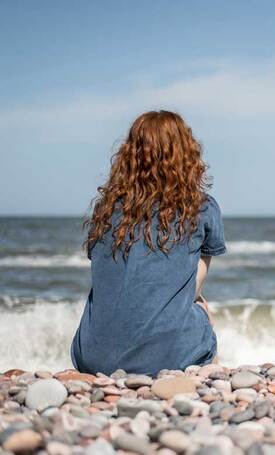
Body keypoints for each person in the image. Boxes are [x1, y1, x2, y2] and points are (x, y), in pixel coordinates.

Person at [71, 110, 226, 376]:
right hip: (166, 357)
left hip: (91, 357)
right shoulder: (201, 207)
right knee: (201, 309)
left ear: (130, 156)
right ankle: (209, 389)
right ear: (187, 154)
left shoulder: (106, 210)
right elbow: (194, 287)